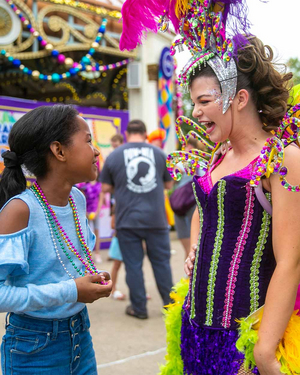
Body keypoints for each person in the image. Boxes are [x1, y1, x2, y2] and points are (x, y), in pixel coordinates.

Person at [120, 0, 300, 374]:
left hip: (244, 338)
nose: (196, 112)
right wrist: (198, 247)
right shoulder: (219, 154)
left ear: (240, 98)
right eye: (194, 102)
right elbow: (208, 207)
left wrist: (265, 352)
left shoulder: (283, 157)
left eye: (204, 101)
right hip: (194, 326)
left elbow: (290, 260)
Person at [0, 105, 112, 375]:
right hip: (33, 346)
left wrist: (90, 279)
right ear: (59, 151)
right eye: (88, 140)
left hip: (79, 334)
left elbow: (69, 259)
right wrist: (72, 290)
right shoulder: (20, 211)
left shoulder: (77, 200)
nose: (96, 151)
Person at [100, 119, 174, 319]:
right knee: (162, 263)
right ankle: (170, 308)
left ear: (126, 133)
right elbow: (168, 185)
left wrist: (121, 187)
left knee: (133, 265)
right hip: (156, 218)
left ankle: (139, 309)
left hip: (127, 220)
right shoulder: (159, 154)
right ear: (144, 133)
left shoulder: (115, 155)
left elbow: (105, 187)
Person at [77, 172, 102, 264]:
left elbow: (100, 200)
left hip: (96, 213)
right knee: (86, 234)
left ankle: (97, 254)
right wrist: (86, 212)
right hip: (86, 213)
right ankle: (88, 255)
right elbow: (82, 199)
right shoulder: (84, 186)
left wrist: (97, 212)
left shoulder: (100, 185)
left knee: (97, 233)